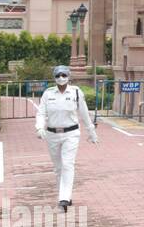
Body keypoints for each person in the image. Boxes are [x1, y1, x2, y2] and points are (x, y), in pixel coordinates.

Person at [34, 65, 99, 212]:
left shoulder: (76, 92)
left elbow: (84, 113)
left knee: (68, 164)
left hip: (71, 134)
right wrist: (39, 127)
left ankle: (63, 198)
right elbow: (41, 113)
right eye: (58, 76)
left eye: (64, 75)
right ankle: (64, 196)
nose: (61, 78)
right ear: (54, 78)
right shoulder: (48, 93)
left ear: (69, 76)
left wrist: (91, 132)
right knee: (58, 168)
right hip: (52, 134)